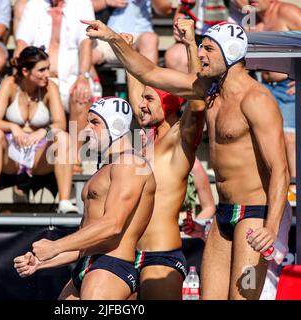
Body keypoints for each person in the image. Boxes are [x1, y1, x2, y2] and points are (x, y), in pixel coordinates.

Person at [82, 18, 290, 299]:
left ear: (229, 51)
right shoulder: (209, 92)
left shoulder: (256, 99)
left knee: (244, 296)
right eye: (201, 49)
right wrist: (112, 38)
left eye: (208, 49)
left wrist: (271, 227)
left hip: (254, 216)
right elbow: (150, 73)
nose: (201, 55)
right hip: (224, 213)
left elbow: (280, 168)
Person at [14, 97, 157, 300]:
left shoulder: (130, 164)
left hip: (110, 268)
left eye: (95, 122)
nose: (86, 129)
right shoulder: (107, 168)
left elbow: (113, 225)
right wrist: (41, 261)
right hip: (88, 265)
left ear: (116, 126)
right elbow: (85, 239)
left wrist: (55, 246)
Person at [118, 31, 205, 299]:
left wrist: (191, 43)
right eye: (142, 99)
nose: (140, 106)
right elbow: (136, 91)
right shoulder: (145, 144)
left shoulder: (178, 143)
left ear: (167, 106)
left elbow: (198, 101)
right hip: (128, 256)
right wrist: (125, 49)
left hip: (160, 256)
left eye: (149, 100)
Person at [234, 0, 301, 206]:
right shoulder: (252, 17)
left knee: (289, 136)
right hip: (265, 86)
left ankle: (296, 190)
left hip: (293, 85)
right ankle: (272, 187)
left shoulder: (286, 11)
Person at [0, 46, 79, 214]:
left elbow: (60, 123)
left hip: (39, 156)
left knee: (63, 137)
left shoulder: (50, 87)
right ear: (25, 71)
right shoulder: (10, 84)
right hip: (12, 154)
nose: (48, 73)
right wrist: (13, 127)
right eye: (42, 70)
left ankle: (64, 202)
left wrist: (42, 132)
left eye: (48, 68)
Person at [14, 0, 95, 171]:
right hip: (40, 79)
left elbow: (85, 43)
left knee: (82, 94)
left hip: (69, 79)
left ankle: (74, 158)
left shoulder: (82, 4)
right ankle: (24, 163)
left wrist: (83, 76)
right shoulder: (34, 5)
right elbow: (22, 43)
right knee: (21, 92)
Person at [91, 0, 172, 66]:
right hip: (108, 39)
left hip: (138, 39)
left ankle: (150, 85)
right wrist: (106, 2)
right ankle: (93, 84)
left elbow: (166, 10)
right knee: (85, 56)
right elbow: (82, 7)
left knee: (150, 39)